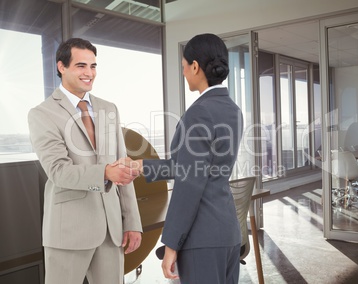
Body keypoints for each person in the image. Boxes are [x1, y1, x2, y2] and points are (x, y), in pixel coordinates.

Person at [126, 33, 244, 283]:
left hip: (202, 238)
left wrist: (171, 244)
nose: (182, 73)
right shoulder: (232, 110)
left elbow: (189, 184)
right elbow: (195, 166)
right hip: (228, 233)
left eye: (183, 67)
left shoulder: (199, 112)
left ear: (195, 66)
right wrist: (142, 166)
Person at [28, 38, 143, 284]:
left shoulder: (109, 108)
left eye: (93, 66)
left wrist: (132, 221)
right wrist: (105, 173)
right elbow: (58, 171)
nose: (89, 73)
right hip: (68, 231)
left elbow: (121, 167)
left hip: (111, 231)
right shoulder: (42, 114)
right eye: (81, 66)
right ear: (61, 67)